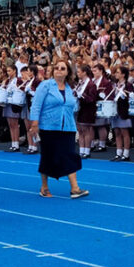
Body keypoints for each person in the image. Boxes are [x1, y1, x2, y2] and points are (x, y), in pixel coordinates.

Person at [29, 60, 89, 199]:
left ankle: (75, 188)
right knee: (47, 155)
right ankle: (44, 187)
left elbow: (71, 108)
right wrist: (34, 124)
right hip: (48, 126)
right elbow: (36, 105)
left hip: (67, 127)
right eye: (56, 68)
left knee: (70, 154)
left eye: (62, 68)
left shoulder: (69, 88)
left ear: (67, 72)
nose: (59, 70)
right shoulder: (45, 85)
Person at [110, 66, 134, 161]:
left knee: (124, 132)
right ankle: (118, 152)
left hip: (124, 111)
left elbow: (132, 97)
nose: (116, 74)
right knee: (117, 132)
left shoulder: (128, 85)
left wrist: (126, 97)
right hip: (115, 110)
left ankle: (126, 153)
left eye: (118, 72)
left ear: (123, 74)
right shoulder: (115, 85)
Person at [74, 66, 98, 159]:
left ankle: (87, 151)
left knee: (86, 130)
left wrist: (82, 95)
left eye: (79, 72)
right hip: (80, 108)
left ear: (84, 72)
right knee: (80, 130)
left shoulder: (91, 84)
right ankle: (81, 150)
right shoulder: (80, 83)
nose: (77, 73)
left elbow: (92, 99)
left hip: (88, 109)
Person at [2, 64, 23, 152]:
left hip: (14, 103)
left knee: (15, 124)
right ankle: (13, 142)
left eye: (10, 71)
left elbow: (20, 90)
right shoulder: (7, 80)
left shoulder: (18, 80)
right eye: (7, 71)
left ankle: (16, 144)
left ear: (14, 70)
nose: (8, 73)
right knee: (10, 124)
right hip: (7, 102)